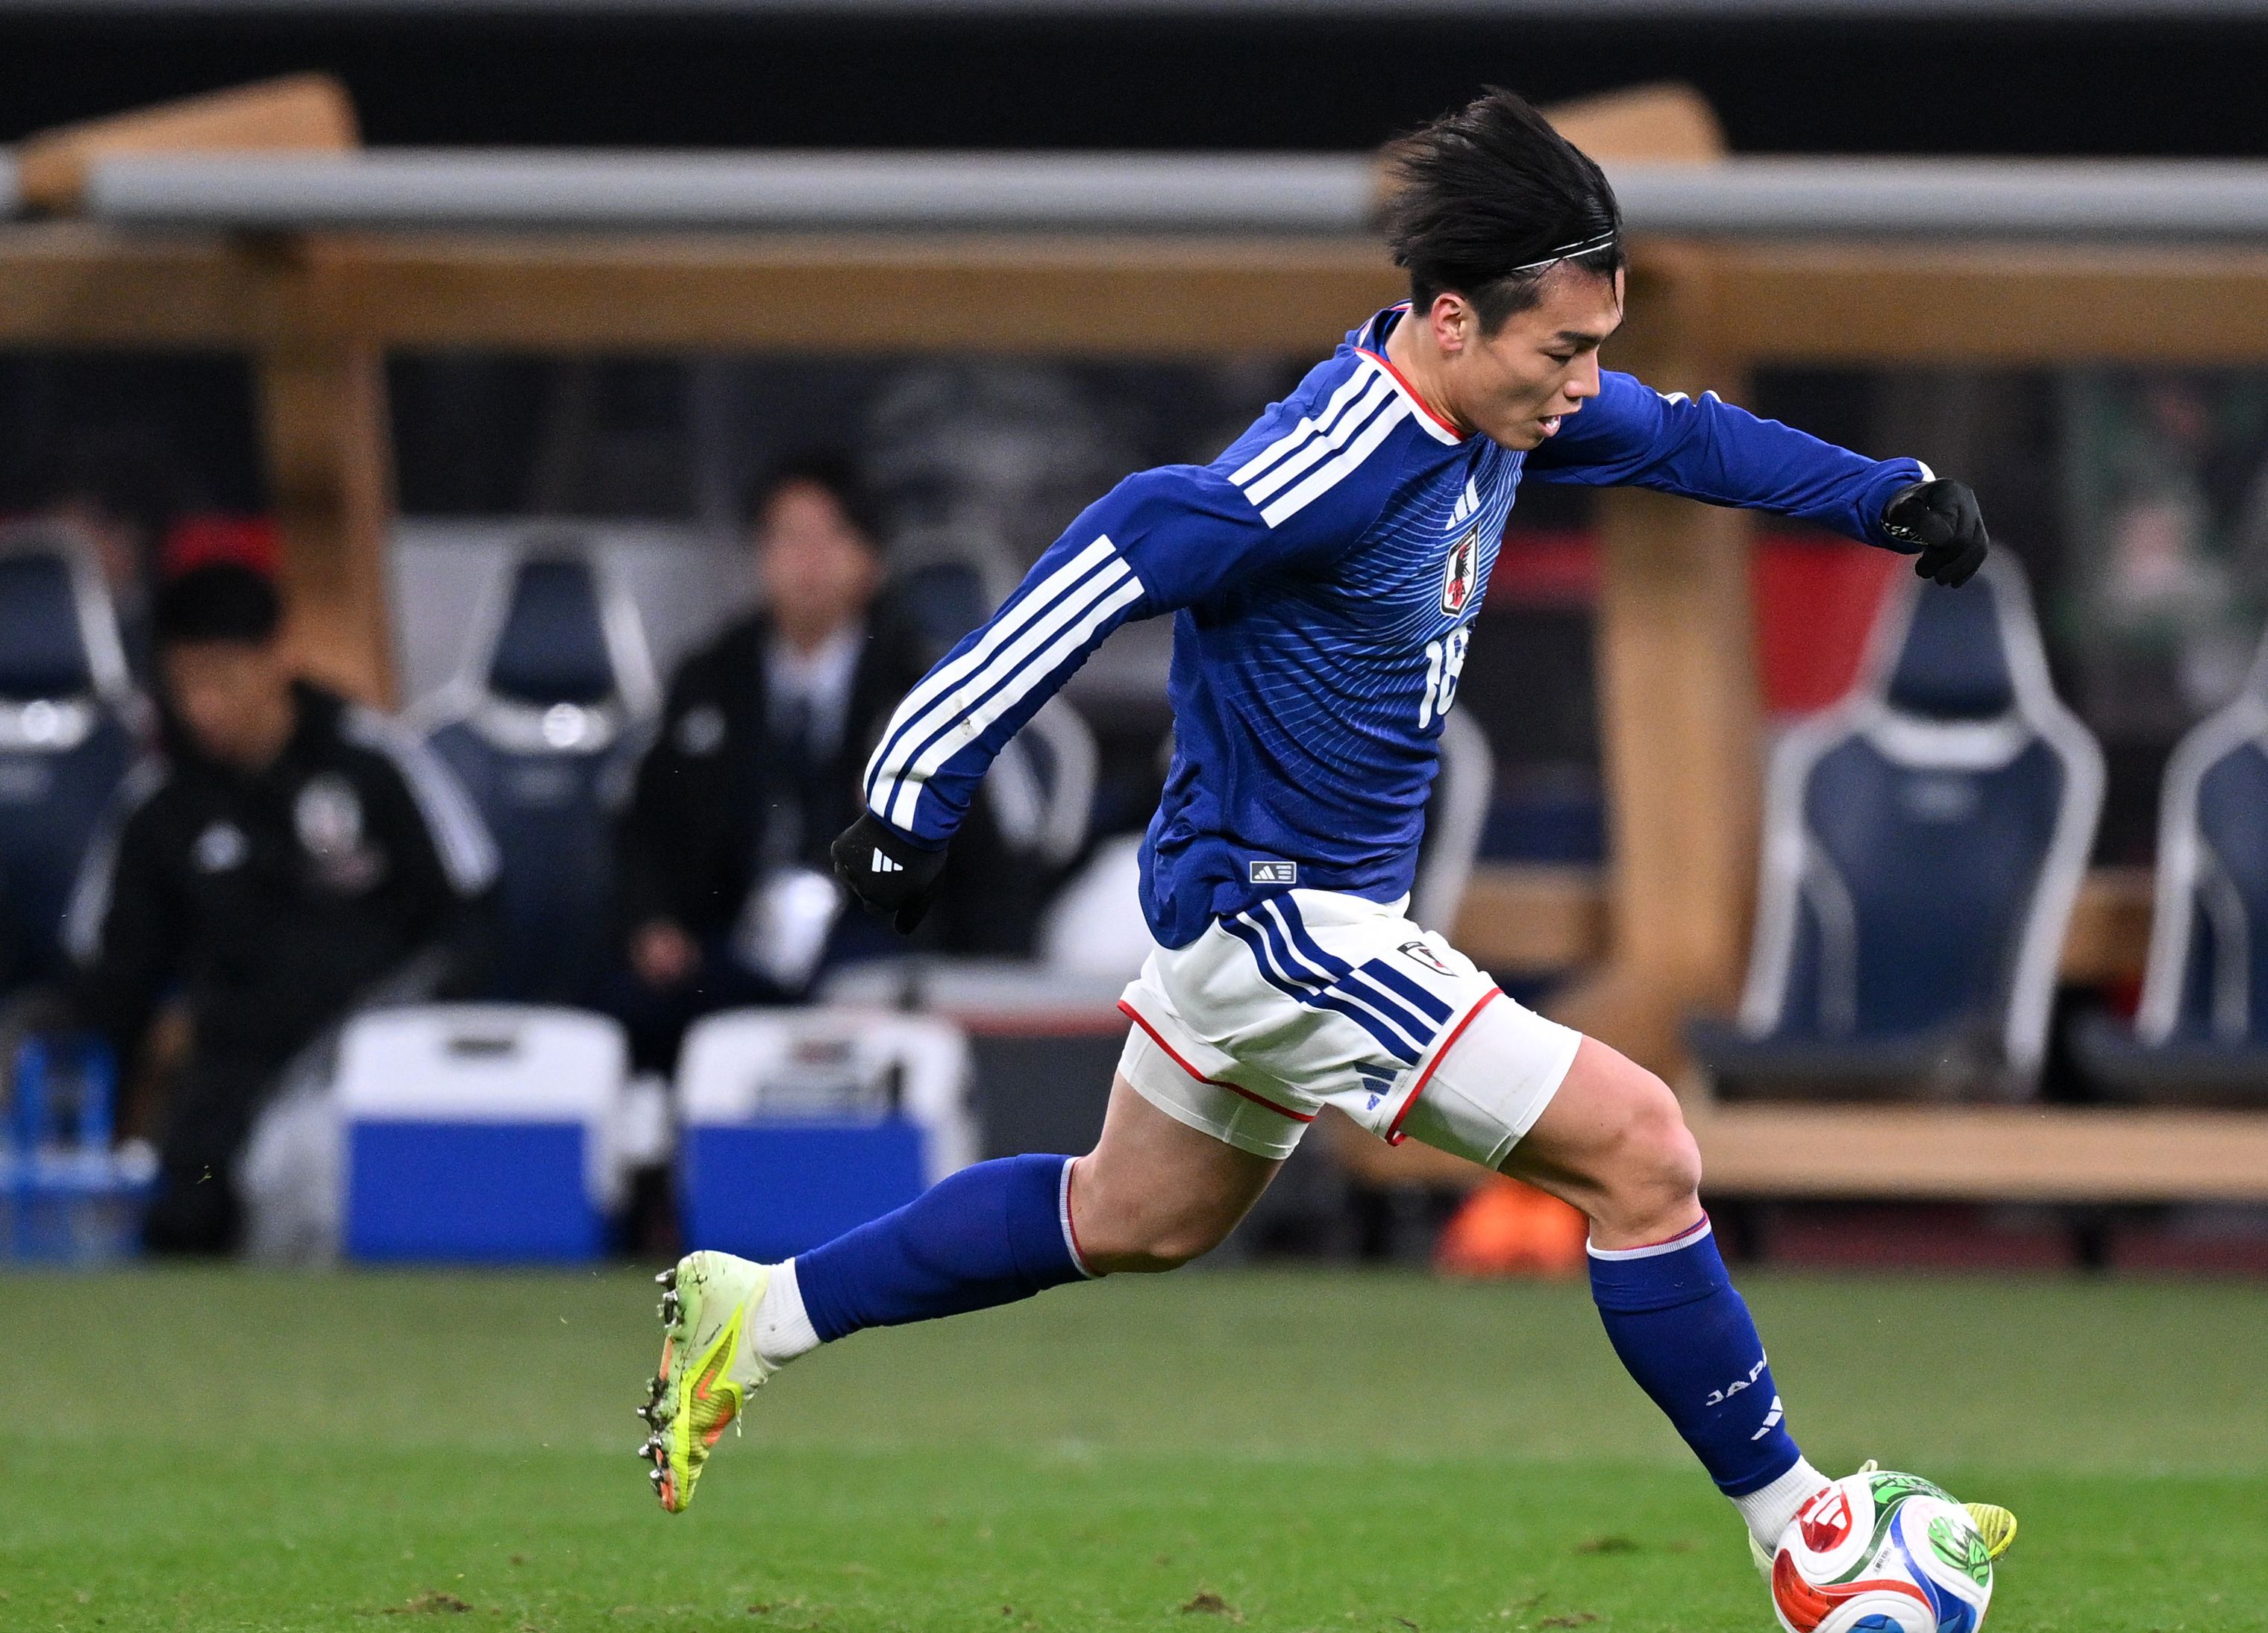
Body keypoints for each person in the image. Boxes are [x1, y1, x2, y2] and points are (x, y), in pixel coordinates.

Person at [639, 90, 2013, 1586]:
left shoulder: (1500, 400)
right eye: (1562, 350)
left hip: (1284, 912)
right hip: (1279, 921)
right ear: (1444, 320)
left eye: (1594, 345)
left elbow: (1681, 440)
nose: (1583, 383)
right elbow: (1131, 538)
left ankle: (753, 1309)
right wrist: (913, 786)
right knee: (1642, 1149)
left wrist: (1881, 498)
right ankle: (1807, 1537)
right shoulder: (1341, 454)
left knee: (1133, 1211)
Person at [60, 563, 498, 1254]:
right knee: (186, 1222)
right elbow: (112, 973)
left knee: (315, 1179)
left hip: (366, 1067)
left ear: (278, 657)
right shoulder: (161, 805)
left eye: (222, 679)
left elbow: (470, 919)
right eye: (185, 684)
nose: (203, 706)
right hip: (228, 1075)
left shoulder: (374, 764)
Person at [610, 451, 1039, 1073]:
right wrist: (652, 921)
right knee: (628, 1011)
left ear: (871, 559)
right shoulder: (711, 676)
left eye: (830, 536)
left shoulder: (918, 687)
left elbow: (984, 857)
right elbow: (646, 823)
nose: (807, 561)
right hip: (730, 939)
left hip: (871, 943)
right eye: (787, 538)